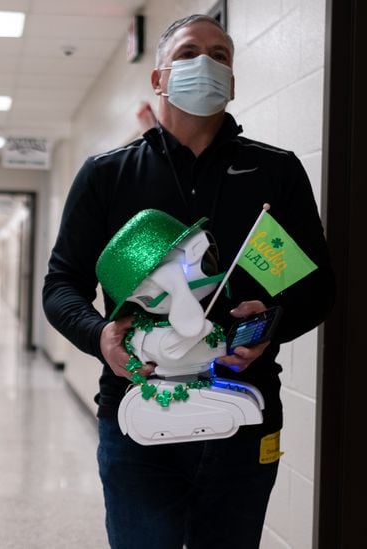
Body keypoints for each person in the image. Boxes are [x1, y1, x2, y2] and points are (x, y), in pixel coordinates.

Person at [42, 14, 335, 549]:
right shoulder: (108, 175)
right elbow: (61, 286)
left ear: (233, 81)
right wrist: (98, 335)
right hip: (136, 412)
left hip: (243, 411)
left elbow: (317, 289)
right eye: (187, 53)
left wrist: (272, 324)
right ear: (158, 77)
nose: (205, 63)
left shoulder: (276, 173)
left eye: (220, 55)